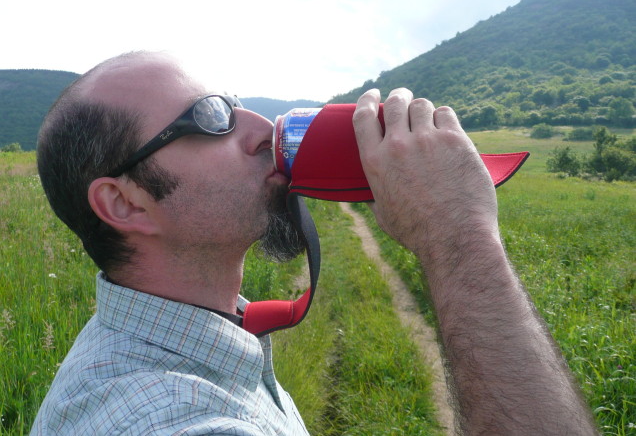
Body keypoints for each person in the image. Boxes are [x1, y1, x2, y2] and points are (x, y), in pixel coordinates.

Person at [31, 51, 597, 435]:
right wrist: (460, 235)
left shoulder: (191, 338)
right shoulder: (169, 419)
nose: (261, 130)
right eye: (210, 120)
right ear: (126, 203)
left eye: (234, 103)